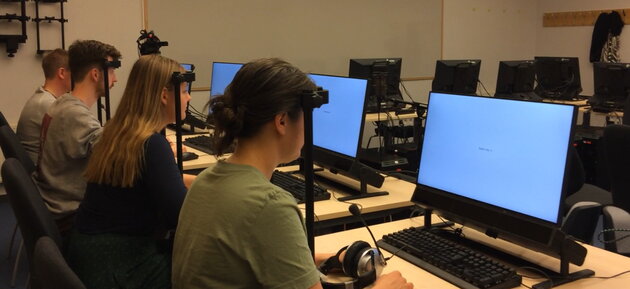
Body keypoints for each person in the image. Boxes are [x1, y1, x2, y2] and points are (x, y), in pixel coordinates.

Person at [172, 58, 413, 289]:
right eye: (307, 117)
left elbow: (250, 254)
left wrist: (325, 259)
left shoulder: (205, 181)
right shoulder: (269, 206)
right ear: (282, 122)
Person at [65, 54, 194, 289]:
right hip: (121, 266)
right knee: (212, 268)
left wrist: (205, 183)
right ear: (165, 96)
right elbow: (181, 217)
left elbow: (156, 181)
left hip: (92, 256)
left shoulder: (120, 132)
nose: (189, 97)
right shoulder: (152, 144)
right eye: (185, 90)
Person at [33, 39, 121, 233]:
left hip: (56, 203)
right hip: (70, 217)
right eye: (113, 72)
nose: (115, 79)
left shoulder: (62, 103)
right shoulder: (74, 113)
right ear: (96, 74)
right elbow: (116, 158)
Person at [16, 48, 71, 164]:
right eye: (74, 71)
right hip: (44, 177)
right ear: (61, 73)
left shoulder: (43, 98)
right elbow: (73, 146)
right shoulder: (47, 104)